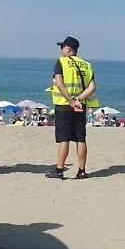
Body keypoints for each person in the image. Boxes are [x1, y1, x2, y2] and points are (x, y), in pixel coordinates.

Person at [46, 36, 97, 180]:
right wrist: (78, 99)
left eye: (62, 47)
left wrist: (70, 99)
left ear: (68, 49)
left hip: (64, 105)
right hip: (80, 105)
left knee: (64, 139)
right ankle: (82, 170)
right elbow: (92, 87)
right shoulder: (87, 65)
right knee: (81, 139)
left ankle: (59, 170)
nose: (61, 50)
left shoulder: (61, 62)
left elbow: (59, 83)